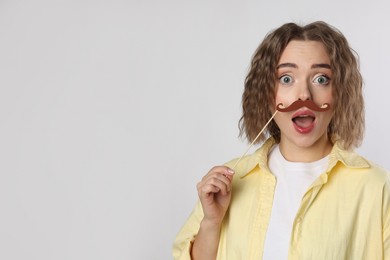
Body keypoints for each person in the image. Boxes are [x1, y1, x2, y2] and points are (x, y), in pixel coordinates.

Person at [173, 21, 390, 259]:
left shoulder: (376, 187)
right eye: (286, 79)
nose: (304, 94)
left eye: (321, 79)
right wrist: (211, 223)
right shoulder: (232, 179)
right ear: (267, 94)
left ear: (340, 92)